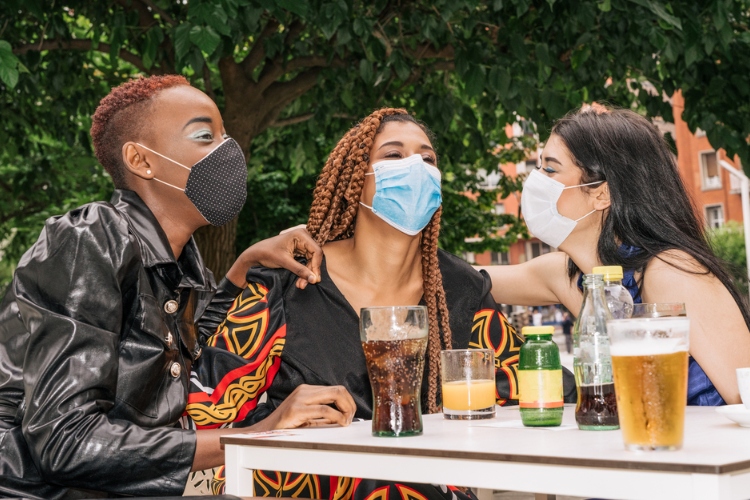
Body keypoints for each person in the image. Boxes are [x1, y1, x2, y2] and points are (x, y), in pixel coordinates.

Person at [187, 108, 578, 498]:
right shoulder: (288, 283)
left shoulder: (459, 290)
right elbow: (203, 411)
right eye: (394, 155)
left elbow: (545, 387)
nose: (416, 168)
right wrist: (273, 422)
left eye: (427, 159)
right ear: (355, 181)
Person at [0, 75, 355, 499]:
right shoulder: (89, 238)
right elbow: (66, 442)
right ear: (141, 160)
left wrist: (246, 263)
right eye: (205, 136)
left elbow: (176, 350)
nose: (229, 151)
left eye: (227, 136)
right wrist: (257, 433)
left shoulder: (177, 262)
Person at [478, 104, 750, 406]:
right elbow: (458, 278)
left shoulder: (670, 272)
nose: (535, 180)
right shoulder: (573, 276)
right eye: (540, 166)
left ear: (601, 194)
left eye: (551, 169)